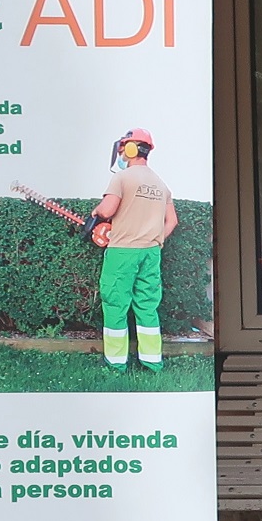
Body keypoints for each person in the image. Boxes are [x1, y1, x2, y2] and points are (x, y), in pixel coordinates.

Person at [91, 128, 176, 371]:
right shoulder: (160, 184)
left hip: (123, 251)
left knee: (116, 303)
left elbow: (107, 211)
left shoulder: (122, 178)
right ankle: (151, 361)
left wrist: (96, 211)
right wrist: (156, 238)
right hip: (151, 252)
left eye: (123, 147)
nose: (120, 152)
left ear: (130, 149)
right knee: (147, 306)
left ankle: (116, 362)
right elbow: (173, 221)